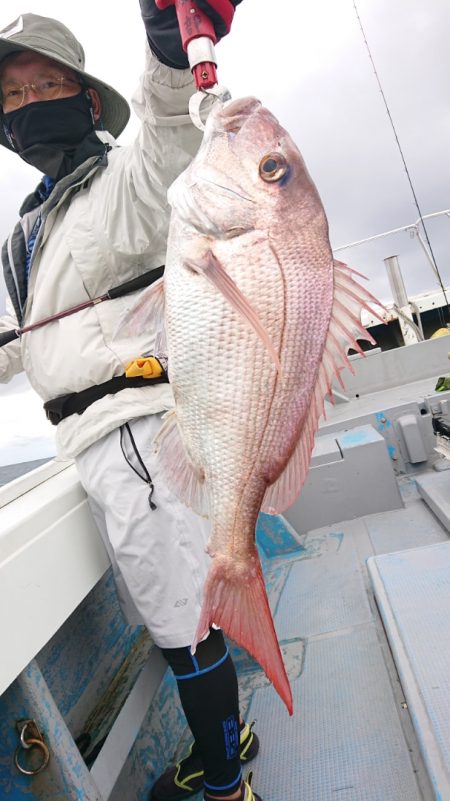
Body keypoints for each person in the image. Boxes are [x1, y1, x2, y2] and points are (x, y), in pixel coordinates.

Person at [0, 6, 262, 801]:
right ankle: (231, 737)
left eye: (46, 83)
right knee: (189, 609)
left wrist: (165, 50)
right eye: (11, 95)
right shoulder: (29, 230)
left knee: (185, 625)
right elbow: (32, 338)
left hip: (140, 438)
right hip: (102, 448)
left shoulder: (122, 182)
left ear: (87, 103)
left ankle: (226, 786)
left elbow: (167, 134)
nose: (27, 101)